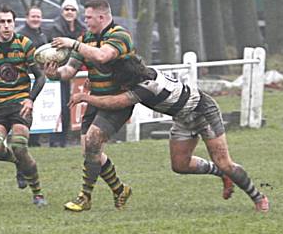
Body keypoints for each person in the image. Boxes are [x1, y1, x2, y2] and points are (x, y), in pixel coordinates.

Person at [69, 56, 269, 212]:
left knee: (224, 161)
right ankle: (221, 174)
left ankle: (258, 197)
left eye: (122, 84)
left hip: (203, 112)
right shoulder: (143, 73)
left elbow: (115, 102)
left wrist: (85, 97)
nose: (120, 87)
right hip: (183, 118)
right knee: (180, 165)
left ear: (129, 81)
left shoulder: (148, 87)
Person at [45, 0, 134, 212]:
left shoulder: (120, 36)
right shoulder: (86, 39)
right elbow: (69, 70)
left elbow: (103, 56)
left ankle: (85, 197)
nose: (85, 20)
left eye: (89, 17)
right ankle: (120, 189)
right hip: (95, 99)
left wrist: (73, 43)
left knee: (93, 141)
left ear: (101, 17)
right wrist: (54, 73)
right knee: (89, 151)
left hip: (117, 101)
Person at [0, 5, 48, 207]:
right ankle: (18, 163)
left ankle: (38, 193)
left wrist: (30, 99)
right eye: (2, 22)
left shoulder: (25, 44)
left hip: (20, 105)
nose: (6, 26)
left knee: (19, 146)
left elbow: (40, 76)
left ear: (14, 23)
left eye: (9, 21)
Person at [48, 0, 86, 148]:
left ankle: (64, 139)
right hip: (60, 71)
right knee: (59, 106)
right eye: (66, 9)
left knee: (72, 106)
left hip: (79, 70)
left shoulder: (82, 28)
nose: (69, 12)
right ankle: (55, 140)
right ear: (62, 11)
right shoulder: (55, 27)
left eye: (72, 9)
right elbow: (56, 49)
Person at [17, 6, 49, 149]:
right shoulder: (21, 36)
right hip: (25, 78)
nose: (36, 19)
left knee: (39, 108)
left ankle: (35, 140)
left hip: (39, 78)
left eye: (38, 16)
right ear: (27, 17)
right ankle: (24, 139)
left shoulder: (42, 35)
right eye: (33, 16)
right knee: (25, 109)